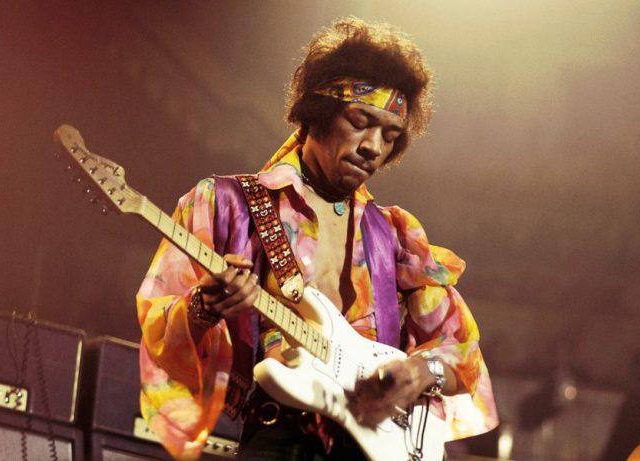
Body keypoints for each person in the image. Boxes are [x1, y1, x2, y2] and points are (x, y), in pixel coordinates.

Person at [137, 17, 498, 461]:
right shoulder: (226, 204)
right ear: (319, 112)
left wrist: (422, 372)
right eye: (361, 121)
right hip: (276, 440)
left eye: (390, 136)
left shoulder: (396, 237)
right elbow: (158, 327)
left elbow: (462, 351)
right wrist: (204, 306)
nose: (374, 147)